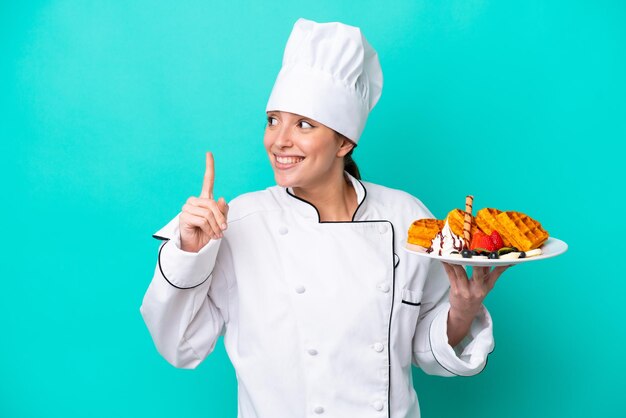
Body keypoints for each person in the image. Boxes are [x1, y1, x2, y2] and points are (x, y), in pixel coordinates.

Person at [140, 17, 509, 418]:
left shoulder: (405, 218)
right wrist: (190, 253)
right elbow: (180, 345)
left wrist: (463, 310)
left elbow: (425, 346)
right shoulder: (241, 222)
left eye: (303, 124)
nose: (279, 140)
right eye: (273, 120)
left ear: (344, 142)